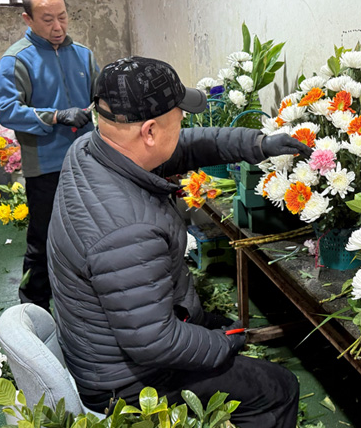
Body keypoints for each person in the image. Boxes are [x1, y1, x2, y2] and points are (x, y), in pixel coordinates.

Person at [47, 56, 307, 427]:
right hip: (131, 383)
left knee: (220, 324)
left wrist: (259, 144)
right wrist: (222, 344)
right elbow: (153, 341)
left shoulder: (90, 151)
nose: (184, 121)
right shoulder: (128, 230)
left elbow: (184, 146)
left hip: (102, 347)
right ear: (149, 131)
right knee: (278, 388)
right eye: (178, 115)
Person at [0, 0, 97, 310]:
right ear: (28, 18)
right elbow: (8, 111)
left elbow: (100, 99)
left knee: (90, 232)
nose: (57, 27)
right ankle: (34, 307)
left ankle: (85, 300)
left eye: (62, 17)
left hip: (88, 159)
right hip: (46, 165)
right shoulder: (15, 61)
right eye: (47, 19)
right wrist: (54, 116)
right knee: (44, 238)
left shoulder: (83, 55)